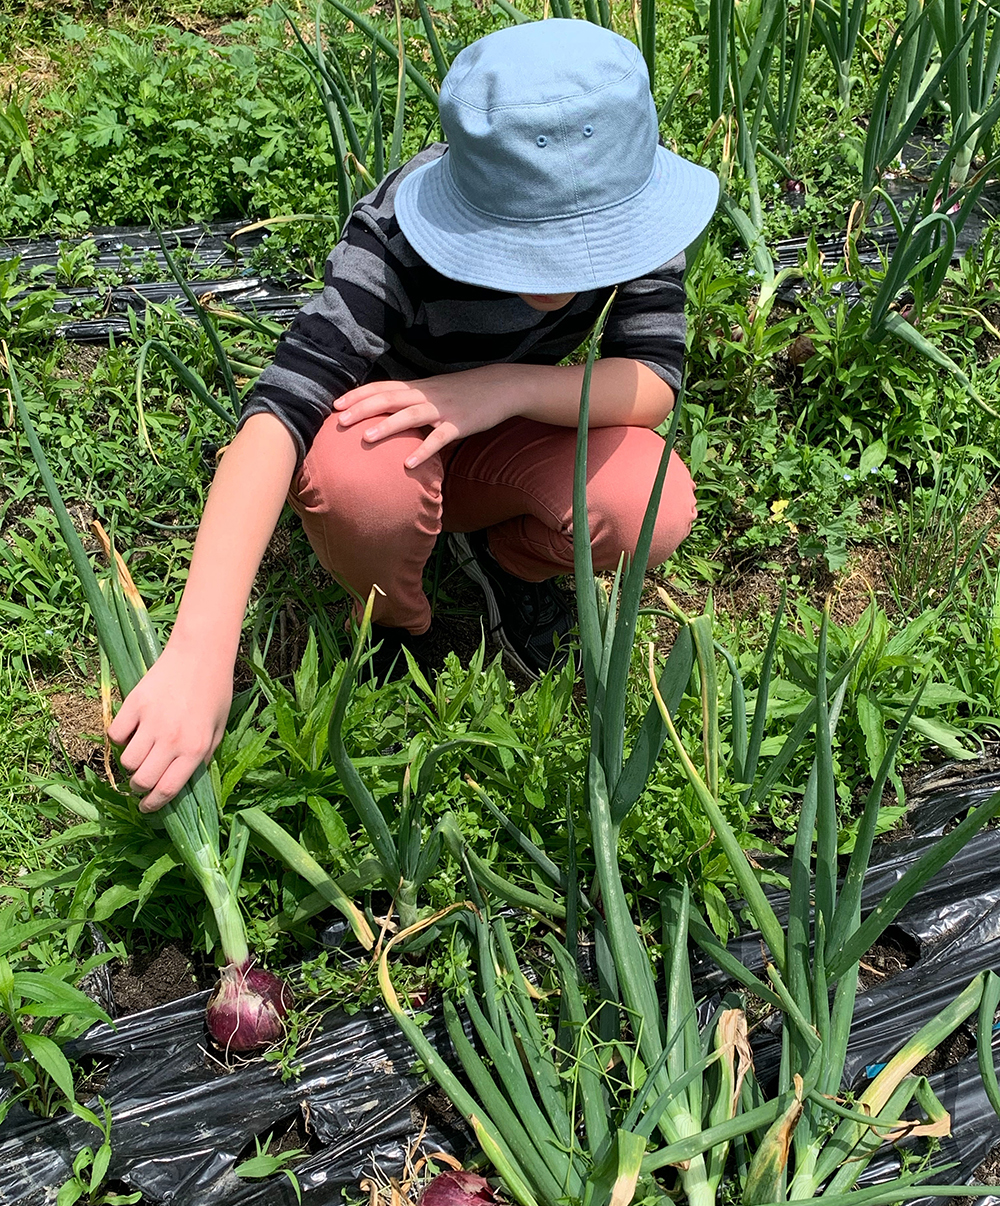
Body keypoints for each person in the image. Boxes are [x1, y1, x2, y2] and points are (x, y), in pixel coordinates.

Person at [108, 18, 719, 813]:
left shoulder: (629, 205)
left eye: (587, 248)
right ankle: (400, 622)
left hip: (513, 426)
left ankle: (512, 566)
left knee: (649, 502)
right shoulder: (398, 234)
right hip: (389, 440)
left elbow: (652, 378)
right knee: (361, 490)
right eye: (532, 246)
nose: (566, 274)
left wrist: (504, 388)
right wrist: (200, 649)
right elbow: (278, 413)